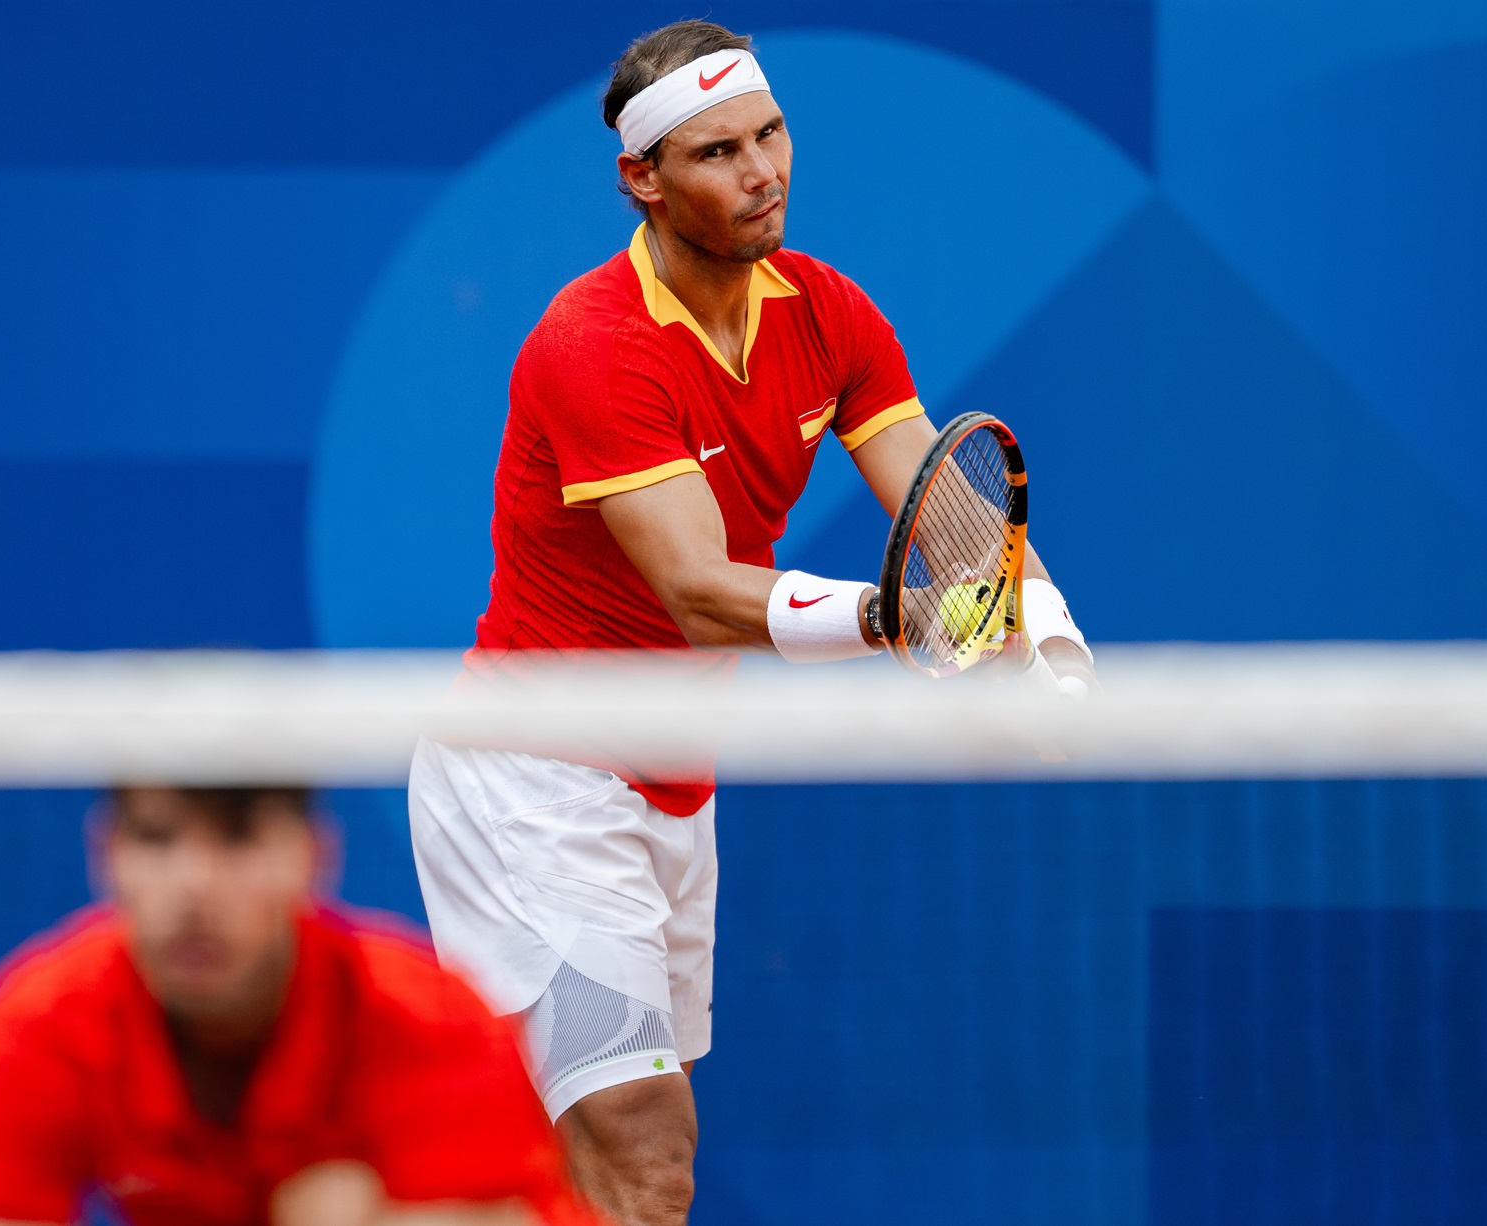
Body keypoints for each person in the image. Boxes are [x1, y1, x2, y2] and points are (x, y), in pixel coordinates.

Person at [405, 19, 1100, 1226]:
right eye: (718, 152)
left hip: (674, 784)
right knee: (645, 1155)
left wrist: (1045, 647)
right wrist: (907, 622)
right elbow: (697, 585)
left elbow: (946, 512)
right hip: (536, 782)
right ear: (642, 178)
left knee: (584, 1168)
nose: (761, 170)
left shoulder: (826, 312)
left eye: (770, 135)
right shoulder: (594, 346)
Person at [0, 785, 599, 1226]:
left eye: (238, 838)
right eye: (158, 840)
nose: (194, 886)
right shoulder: (26, 1030)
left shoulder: (430, 1020)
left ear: (312, 857)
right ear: (106, 855)